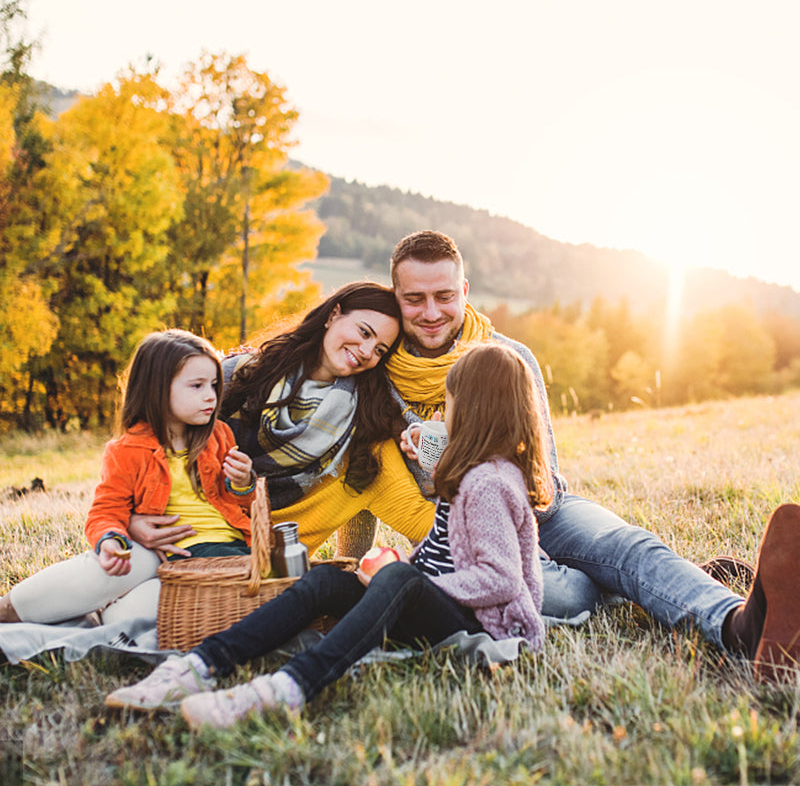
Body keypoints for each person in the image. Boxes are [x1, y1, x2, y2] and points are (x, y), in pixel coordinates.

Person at [388, 230, 800, 680]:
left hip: (542, 511)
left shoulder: (510, 358)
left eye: (444, 296)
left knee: (631, 546)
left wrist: (454, 454)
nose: (431, 313)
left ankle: (741, 625)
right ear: (396, 298)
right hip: (467, 542)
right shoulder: (379, 375)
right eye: (415, 299)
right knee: (570, 595)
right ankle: (633, 588)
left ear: (464, 291)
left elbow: (539, 474)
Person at [105, 342, 551, 726]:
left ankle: (286, 688)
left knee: (395, 581)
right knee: (323, 581)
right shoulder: (470, 473)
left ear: (473, 409)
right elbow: (444, 550)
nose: (443, 411)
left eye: (449, 401)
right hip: (441, 603)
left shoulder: (490, 484)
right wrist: (404, 568)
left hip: (485, 627)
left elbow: (501, 580)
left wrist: (408, 583)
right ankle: (198, 665)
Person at [126, 282, 434, 561]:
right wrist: (130, 518)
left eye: (380, 349)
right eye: (364, 332)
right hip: (171, 534)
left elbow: (422, 519)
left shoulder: (366, 439)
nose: (367, 352)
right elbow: (147, 443)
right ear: (333, 314)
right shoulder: (241, 374)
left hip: (253, 573)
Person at [0, 329, 256, 625]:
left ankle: (93, 616)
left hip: (222, 554)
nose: (211, 396)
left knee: (123, 620)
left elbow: (246, 506)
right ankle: (9, 610)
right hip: (157, 554)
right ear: (156, 389)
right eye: (196, 386)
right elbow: (106, 511)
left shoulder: (219, 436)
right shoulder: (128, 450)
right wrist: (110, 540)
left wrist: (242, 483)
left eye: (213, 385)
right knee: (104, 574)